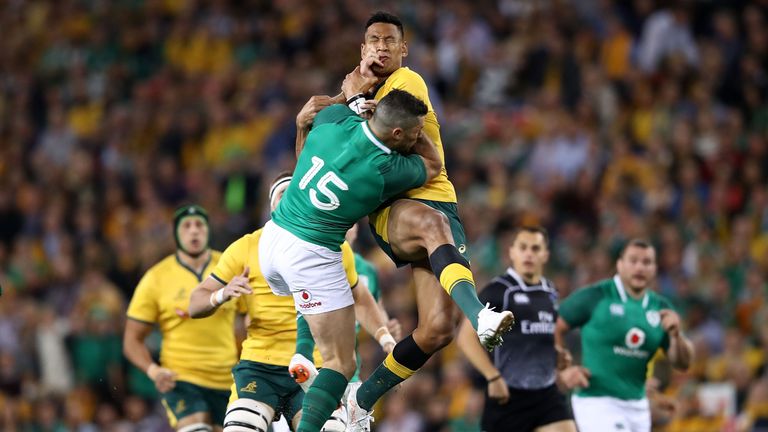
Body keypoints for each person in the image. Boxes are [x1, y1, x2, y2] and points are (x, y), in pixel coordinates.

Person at [294, 12, 514, 431]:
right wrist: (303, 123)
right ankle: (482, 316)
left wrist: (346, 100)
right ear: (362, 51)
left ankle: (360, 402)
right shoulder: (352, 100)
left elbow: (381, 126)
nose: (380, 47)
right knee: (432, 227)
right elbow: (309, 167)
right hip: (396, 209)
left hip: (437, 201)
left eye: (389, 41)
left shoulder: (406, 83)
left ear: (403, 50)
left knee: (437, 330)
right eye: (373, 41)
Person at [258, 85, 450, 432]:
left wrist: (350, 103)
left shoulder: (331, 122)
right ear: (397, 134)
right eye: (415, 132)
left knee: (321, 316)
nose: (420, 136)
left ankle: (288, 382)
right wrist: (417, 137)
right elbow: (434, 165)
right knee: (340, 364)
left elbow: (326, 110)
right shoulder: (384, 170)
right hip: (311, 253)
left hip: (273, 237)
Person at [187, 173, 396, 432]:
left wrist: (384, 336)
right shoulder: (246, 247)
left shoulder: (333, 246)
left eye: (293, 193)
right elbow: (195, 304)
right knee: (241, 427)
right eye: (281, 194)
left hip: (317, 366)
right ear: (271, 205)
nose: (288, 200)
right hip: (261, 364)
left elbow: (361, 297)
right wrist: (221, 294)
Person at [554, 239, 694, 432]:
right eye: (633, 260)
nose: (640, 267)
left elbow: (683, 363)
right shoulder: (597, 296)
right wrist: (563, 369)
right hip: (597, 401)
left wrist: (676, 336)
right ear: (620, 265)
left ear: (655, 269)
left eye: (646, 262)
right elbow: (553, 325)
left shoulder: (660, 308)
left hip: (638, 407)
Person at [457, 226, 585, 432]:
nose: (528, 254)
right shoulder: (499, 291)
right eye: (523, 247)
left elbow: (542, 335)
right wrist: (492, 377)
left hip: (546, 395)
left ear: (545, 255)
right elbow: (465, 337)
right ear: (512, 252)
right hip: (508, 395)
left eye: (535, 249)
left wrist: (557, 355)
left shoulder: (550, 291)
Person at [124, 205, 236, 432]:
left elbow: (249, 319)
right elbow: (132, 339)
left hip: (229, 378)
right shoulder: (156, 278)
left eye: (199, 225)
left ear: (208, 231)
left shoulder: (229, 267)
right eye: (186, 226)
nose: (193, 231)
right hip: (182, 377)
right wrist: (153, 371)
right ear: (176, 233)